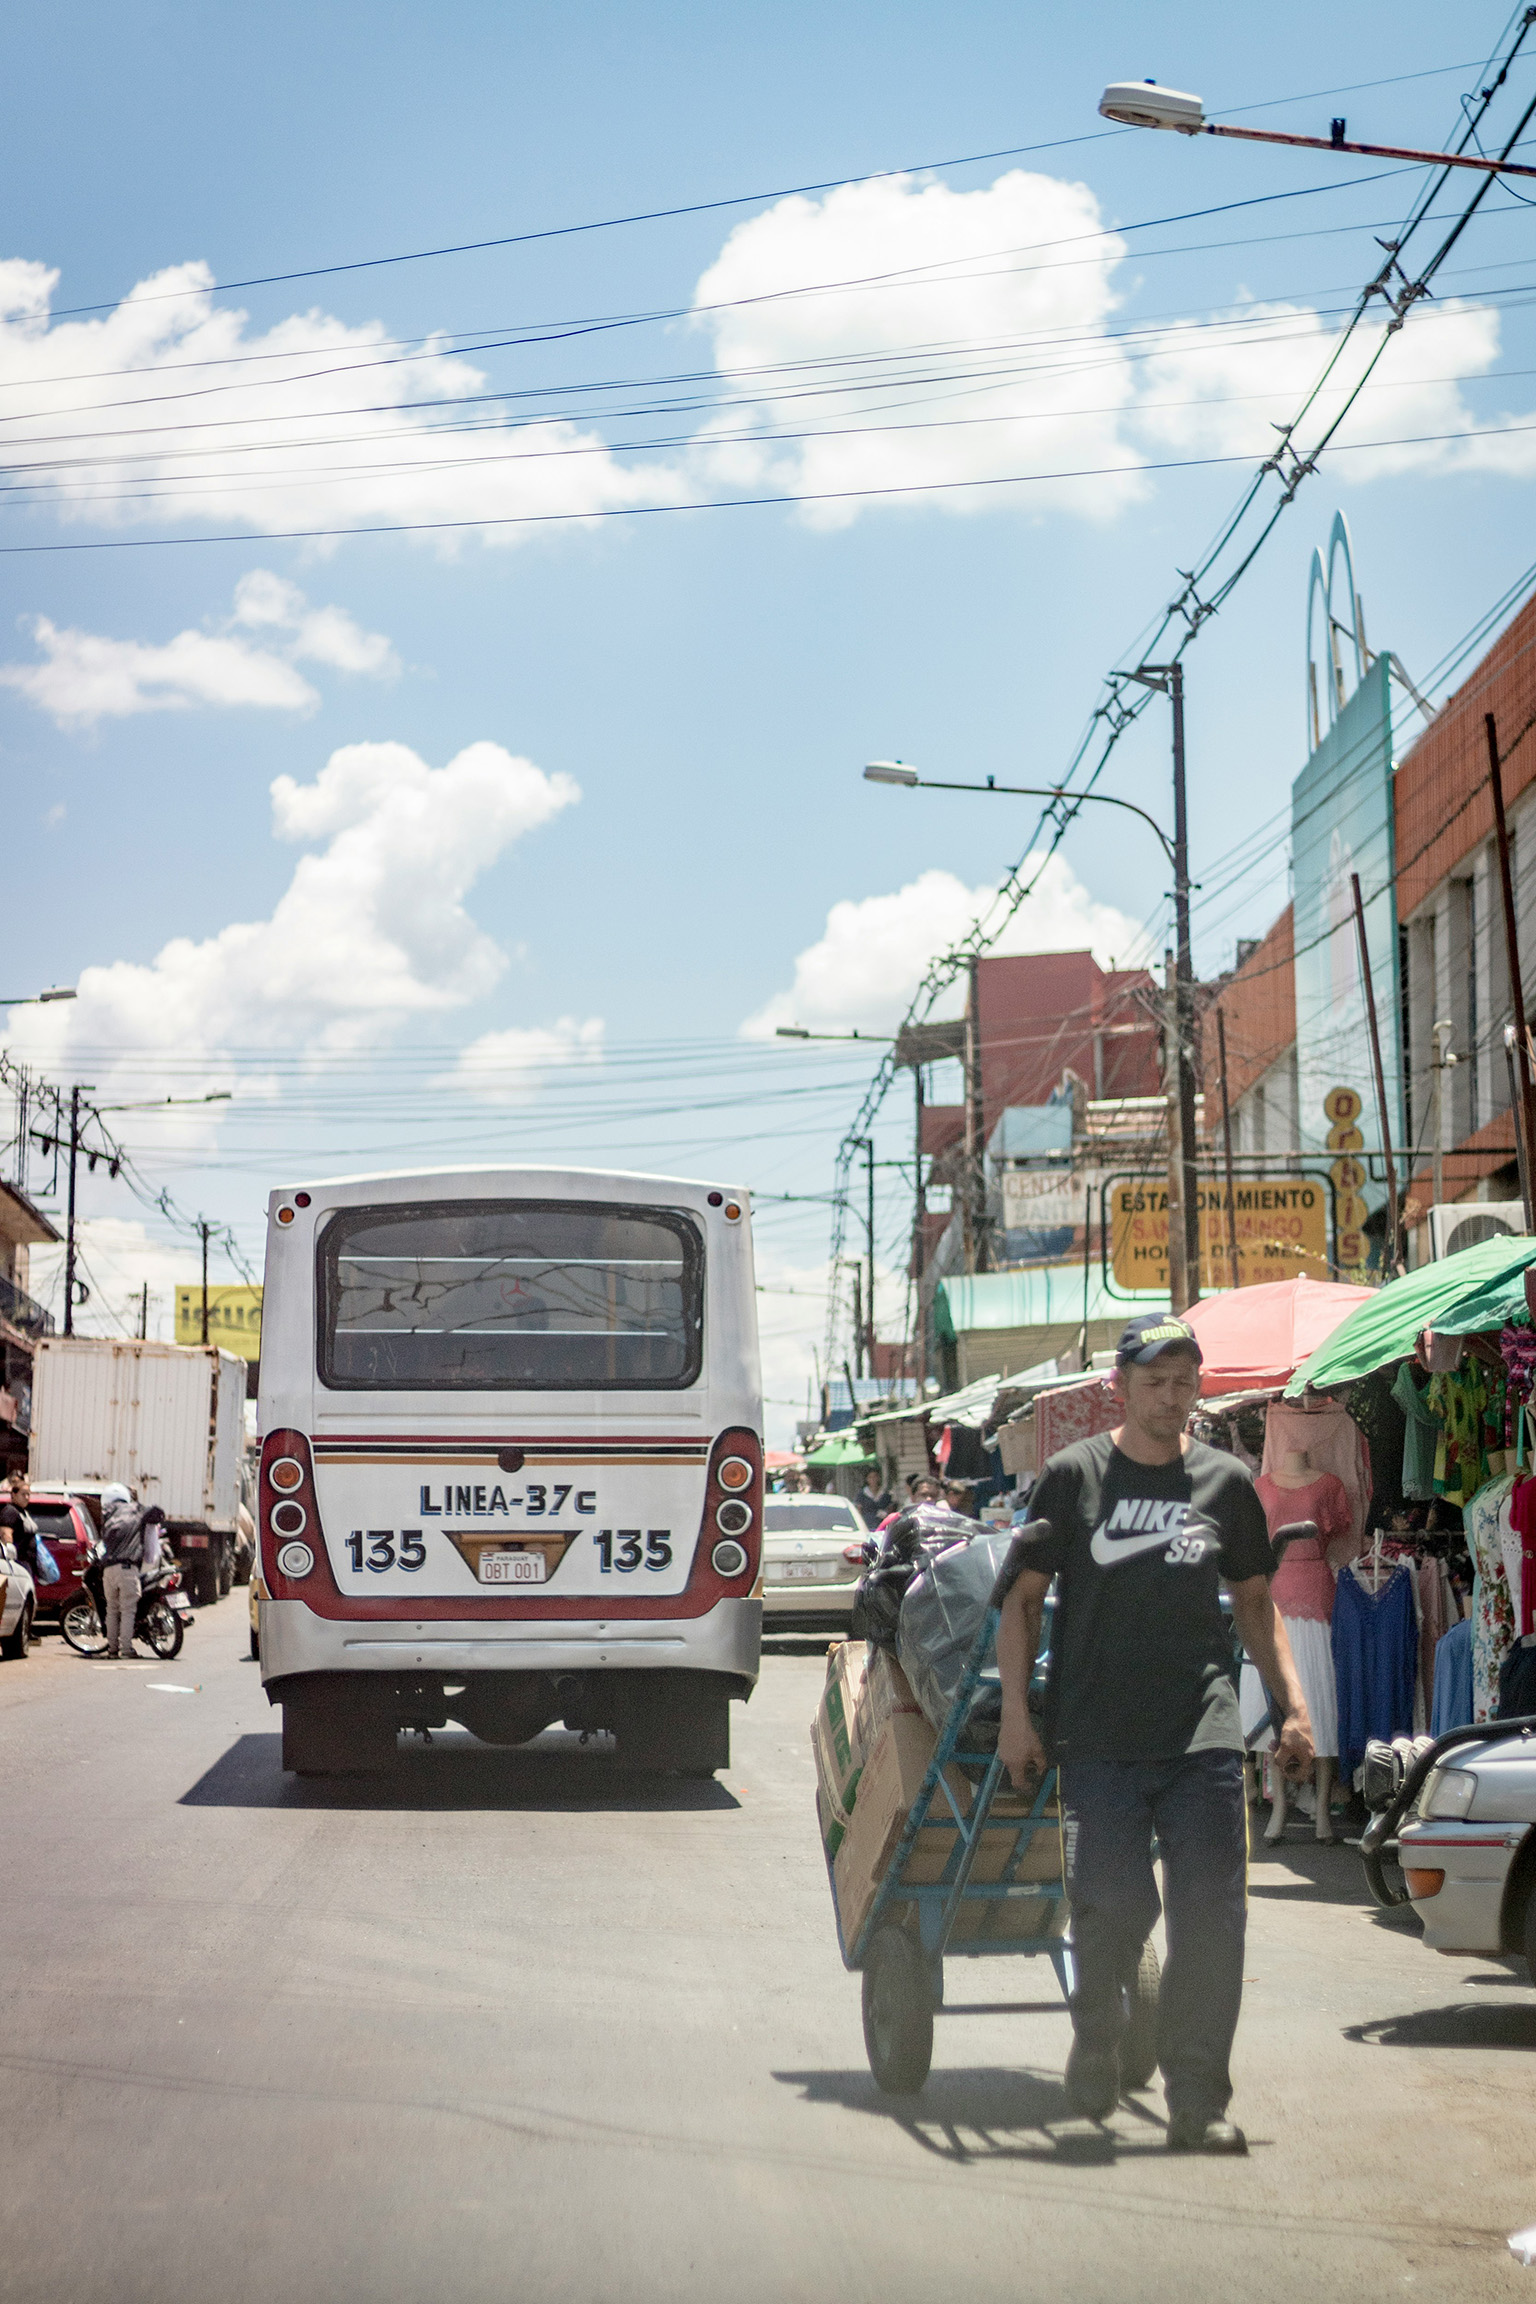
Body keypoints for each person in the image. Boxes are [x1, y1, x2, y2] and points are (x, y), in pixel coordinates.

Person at [996, 1312, 1313, 2156]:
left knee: (1212, 1918)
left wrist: (1295, 1705)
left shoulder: (1225, 1483)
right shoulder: (1073, 1477)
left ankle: (1197, 2100)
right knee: (1112, 1906)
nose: (1171, 1399)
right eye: (1153, 1384)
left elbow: (1254, 1603)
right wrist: (1018, 1719)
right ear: (1120, 1389)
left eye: (1183, 1383)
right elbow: (1023, 1604)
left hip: (1202, 1729)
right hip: (1096, 1733)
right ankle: (1098, 2032)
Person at [99, 1484, 162, 1660]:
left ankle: (112, 1650)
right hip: (127, 1568)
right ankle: (126, 1650)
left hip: (108, 1569)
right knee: (127, 1610)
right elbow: (157, 1513)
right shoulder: (136, 1510)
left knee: (111, 1609)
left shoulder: (108, 1515)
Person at [0, 1471, 41, 1586]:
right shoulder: (10, 1512)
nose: (27, 1498)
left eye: (28, 1494)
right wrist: (10, 1554)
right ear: (13, 1494)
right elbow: (5, 1534)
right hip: (19, 1564)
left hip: (28, 1562)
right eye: (23, 1494)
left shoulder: (22, 1512)